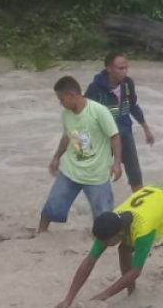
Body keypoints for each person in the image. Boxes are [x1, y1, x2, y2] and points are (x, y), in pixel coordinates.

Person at [51, 186, 163, 308]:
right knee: (124, 249)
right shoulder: (110, 222)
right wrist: (68, 300)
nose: (102, 244)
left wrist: (103, 295)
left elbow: (135, 271)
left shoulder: (143, 230)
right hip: (154, 198)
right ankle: (132, 292)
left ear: (118, 234)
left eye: (106, 242)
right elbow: (89, 260)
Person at [39, 76, 122, 234]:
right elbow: (67, 136)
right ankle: (41, 233)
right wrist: (56, 157)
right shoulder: (66, 114)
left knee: (104, 216)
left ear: (72, 95)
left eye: (61, 99)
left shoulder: (98, 111)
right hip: (71, 171)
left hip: (96, 174)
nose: (60, 103)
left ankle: (104, 241)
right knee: (53, 204)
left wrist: (117, 163)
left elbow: (115, 136)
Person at [85, 53, 155, 192]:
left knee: (135, 174)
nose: (124, 71)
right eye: (120, 68)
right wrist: (84, 146)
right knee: (96, 174)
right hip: (103, 138)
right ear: (109, 68)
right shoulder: (95, 89)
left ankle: (140, 207)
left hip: (124, 134)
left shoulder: (127, 84)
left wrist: (146, 128)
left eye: (126, 68)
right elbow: (83, 115)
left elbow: (133, 106)